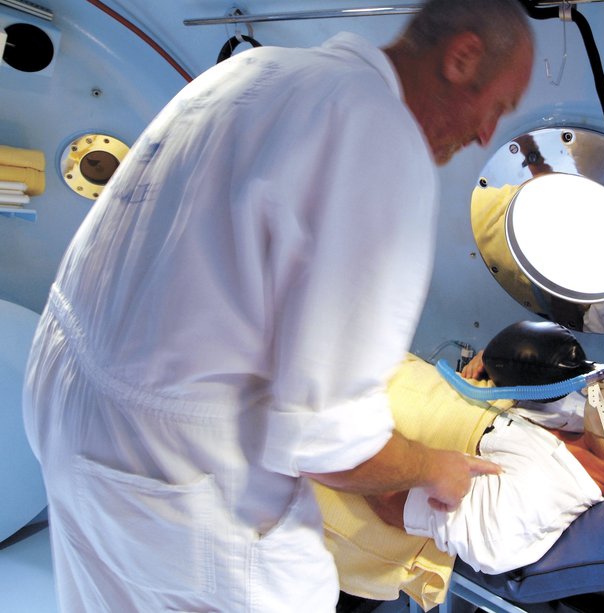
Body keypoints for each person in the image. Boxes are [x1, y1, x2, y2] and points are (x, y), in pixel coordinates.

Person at [21, 2, 534, 611]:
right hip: (174, 468)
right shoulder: (378, 136)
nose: (484, 136)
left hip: (67, 407)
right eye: (497, 109)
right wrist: (433, 467)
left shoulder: (250, 73)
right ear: (462, 57)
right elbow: (330, 446)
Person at [314, 321, 604, 609]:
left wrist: (323, 411)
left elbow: (390, 499)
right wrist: (490, 367)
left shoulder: (533, 506)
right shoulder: (572, 411)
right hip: (365, 368)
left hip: (323, 427)